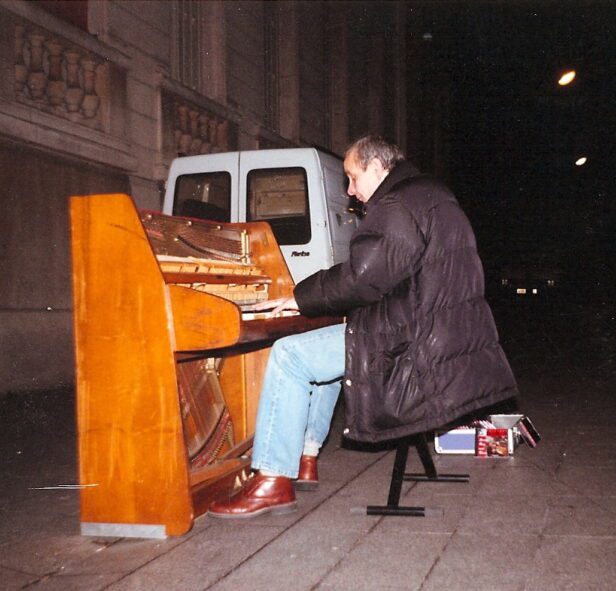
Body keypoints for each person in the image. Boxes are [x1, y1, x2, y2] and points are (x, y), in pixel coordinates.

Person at [208, 134, 518, 519]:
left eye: (353, 178)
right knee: (327, 350)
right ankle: (305, 456)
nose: (351, 191)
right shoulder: (431, 193)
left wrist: (299, 298)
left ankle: (272, 478)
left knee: (289, 355)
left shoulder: (398, 204)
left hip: (411, 341)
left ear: (376, 167)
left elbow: (363, 276)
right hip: (437, 333)